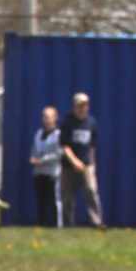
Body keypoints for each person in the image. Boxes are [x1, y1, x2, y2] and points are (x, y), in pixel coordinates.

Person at [58, 92, 104, 228]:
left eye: (85, 105)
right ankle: (68, 223)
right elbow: (64, 146)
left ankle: (96, 222)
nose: (83, 108)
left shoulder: (91, 122)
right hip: (69, 165)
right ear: (74, 106)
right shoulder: (68, 122)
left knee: (91, 190)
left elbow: (91, 145)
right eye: (80, 106)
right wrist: (74, 161)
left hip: (87, 164)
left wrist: (92, 164)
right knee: (67, 195)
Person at [29, 106, 61, 228]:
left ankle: (55, 224)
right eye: (44, 117)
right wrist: (33, 159)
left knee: (53, 199)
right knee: (40, 198)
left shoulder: (58, 134)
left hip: (52, 171)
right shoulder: (39, 133)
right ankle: (41, 222)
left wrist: (43, 160)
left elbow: (58, 153)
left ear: (55, 118)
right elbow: (34, 149)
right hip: (39, 171)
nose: (46, 119)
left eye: (48, 117)